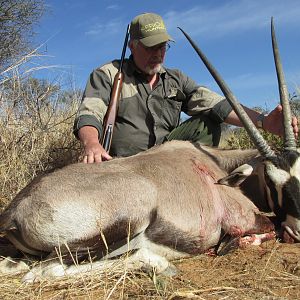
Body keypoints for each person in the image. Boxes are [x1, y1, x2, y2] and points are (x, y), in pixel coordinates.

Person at [73, 12, 298, 164]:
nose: (158, 54)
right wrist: (92, 144)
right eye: (151, 47)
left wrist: (264, 121)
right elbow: (89, 114)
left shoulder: (176, 78)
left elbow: (217, 104)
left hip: (167, 159)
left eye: (163, 46)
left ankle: (194, 179)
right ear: (133, 46)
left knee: (209, 123)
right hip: (126, 164)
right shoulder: (108, 74)